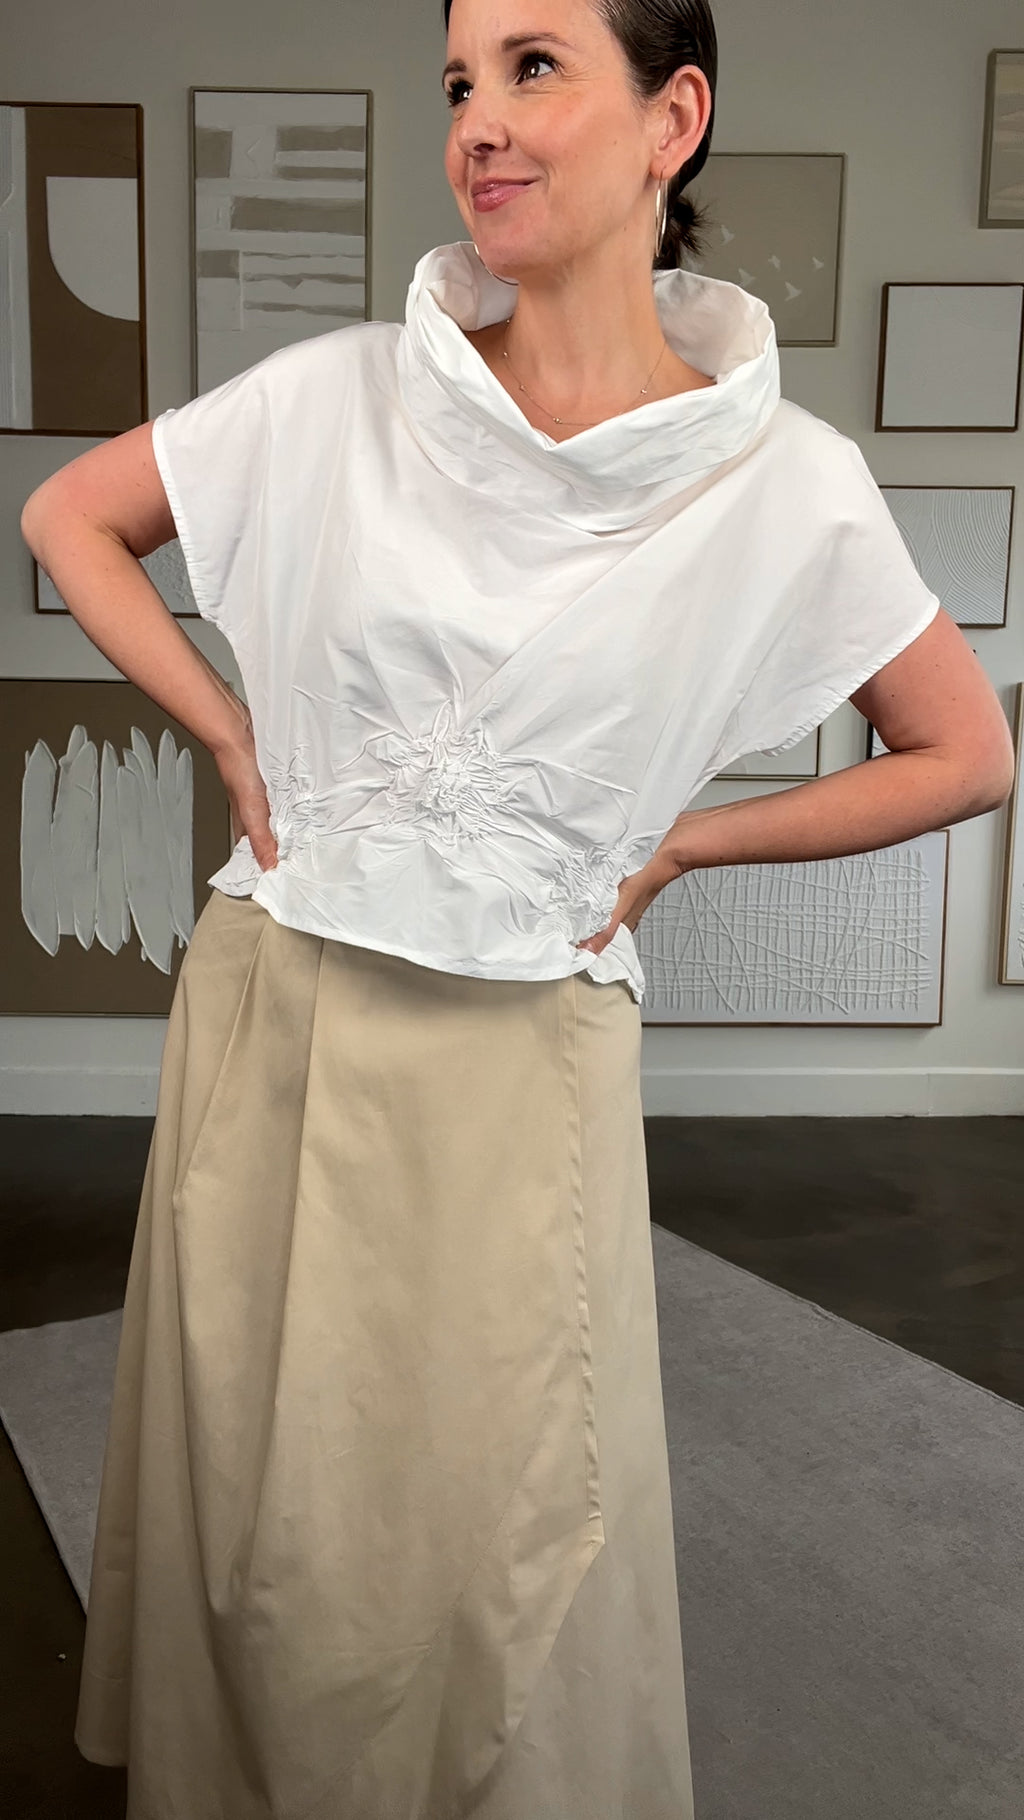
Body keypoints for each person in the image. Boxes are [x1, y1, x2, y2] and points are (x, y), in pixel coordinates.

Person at [21, 0, 1013, 1814]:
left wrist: (687, 845)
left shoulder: (784, 481)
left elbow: (964, 752)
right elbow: (69, 515)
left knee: (503, 1490)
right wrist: (227, 730)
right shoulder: (335, 396)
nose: (478, 118)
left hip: (521, 1042)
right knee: (259, 1466)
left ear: (673, 116)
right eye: (459, 81)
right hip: (279, 998)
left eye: (535, 66)